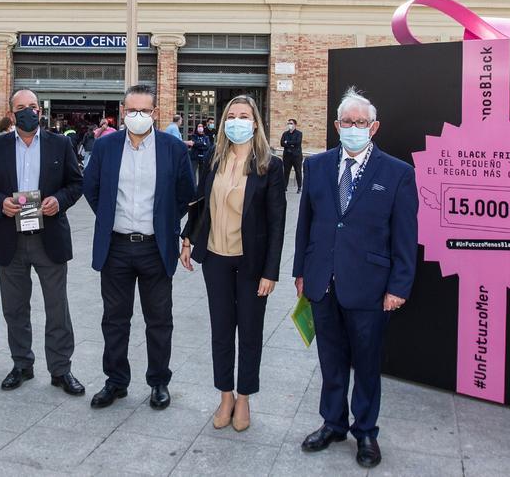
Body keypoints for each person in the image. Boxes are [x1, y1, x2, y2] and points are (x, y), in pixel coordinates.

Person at [293, 89, 418, 468]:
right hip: (322, 282)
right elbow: (305, 226)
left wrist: (399, 286)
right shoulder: (316, 167)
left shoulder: (398, 174)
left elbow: (405, 237)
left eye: (361, 123)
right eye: (346, 122)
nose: (353, 128)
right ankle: (332, 423)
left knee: (365, 363)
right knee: (330, 360)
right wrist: (300, 272)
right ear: (336, 125)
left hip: (370, 287)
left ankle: (365, 431)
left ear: (374, 127)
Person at [83, 84, 195, 410]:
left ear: (155, 113)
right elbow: (92, 188)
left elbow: (185, 193)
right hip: (115, 246)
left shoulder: (173, 149)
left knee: (159, 320)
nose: (138, 116)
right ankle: (116, 381)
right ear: (122, 111)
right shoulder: (106, 147)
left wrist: (166, 222)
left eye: (144, 110)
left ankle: (159, 381)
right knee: (115, 320)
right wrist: (108, 217)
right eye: (132, 110)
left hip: (154, 248)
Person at [179, 95, 285, 432]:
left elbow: (277, 224)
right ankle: (225, 395)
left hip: (252, 264)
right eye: (231, 116)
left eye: (244, 116)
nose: (237, 121)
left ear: (255, 123)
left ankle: (244, 398)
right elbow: (199, 203)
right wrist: (188, 238)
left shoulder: (271, 165)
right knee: (221, 332)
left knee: (250, 333)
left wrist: (271, 272)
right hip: (216, 259)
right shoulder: (214, 157)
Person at [0, 89, 86, 396]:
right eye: (20, 107)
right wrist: (0, 203)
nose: (27, 112)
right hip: (10, 238)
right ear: (11, 113)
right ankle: (22, 364)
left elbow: (76, 184)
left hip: (49, 237)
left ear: (40, 110)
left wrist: (58, 201)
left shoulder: (60, 144)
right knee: (14, 308)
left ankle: (61, 369)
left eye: (32, 107)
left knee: (57, 307)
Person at [280, 119, 304, 193]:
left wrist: (287, 143)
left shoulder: (299, 133)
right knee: (286, 172)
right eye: (289, 123)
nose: (290, 125)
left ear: (295, 125)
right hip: (287, 155)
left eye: (291, 123)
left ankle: (299, 187)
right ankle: (284, 187)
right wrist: (290, 144)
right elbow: (282, 143)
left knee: (298, 171)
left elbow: (297, 142)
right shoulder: (285, 134)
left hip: (296, 156)